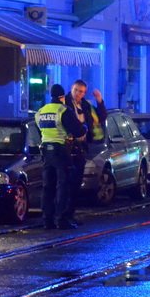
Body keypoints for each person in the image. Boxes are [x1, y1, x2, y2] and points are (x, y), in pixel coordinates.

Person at [35, 84, 86, 230]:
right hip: (61, 150)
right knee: (63, 185)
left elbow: (41, 132)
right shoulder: (63, 110)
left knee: (48, 186)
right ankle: (62, 219)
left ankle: (47, 220)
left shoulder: (40, 112)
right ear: (62, 97)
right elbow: (78, 130)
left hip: (46, 151)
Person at [64, 79, 108, 225]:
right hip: (67, 147)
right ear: (71, 88)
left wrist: (99, 101)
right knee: (67, 183)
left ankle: (70, 214)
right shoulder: (64, 103)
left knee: (76, 183)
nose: (78, 94)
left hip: (81, 147)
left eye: (81, 92)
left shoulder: (86, 105)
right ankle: (63, 215)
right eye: (76, 90)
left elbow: (101, 118)